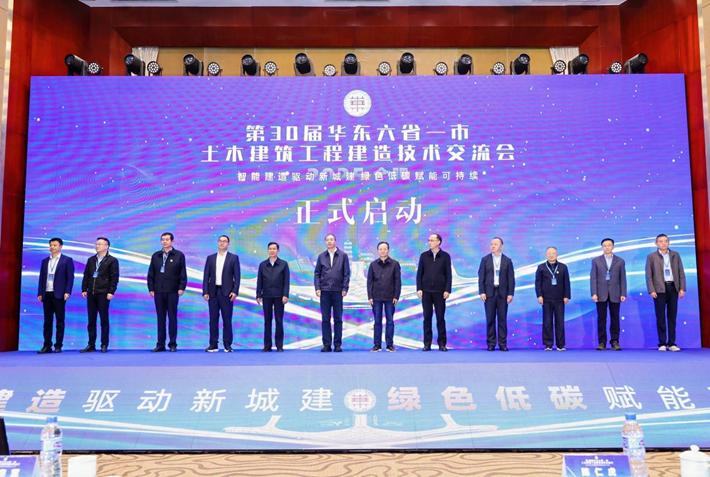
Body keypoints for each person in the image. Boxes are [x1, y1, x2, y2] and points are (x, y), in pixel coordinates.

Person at [645, 233, 686, 352]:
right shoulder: (651, 257)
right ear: (656, 243)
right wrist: (651, 289)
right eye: (661, 241)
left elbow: (681, 272)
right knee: (661, 317)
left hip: (673, 288)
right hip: (659, 290)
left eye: (665, 241)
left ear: (669, 242)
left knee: (672, 316)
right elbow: (648, 275)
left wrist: (682, 288)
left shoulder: (675, 255)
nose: (663, 243)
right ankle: (662, 343)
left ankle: (672, 343)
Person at [147, 232, 187, 352]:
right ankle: (160, 344)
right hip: (158, 291)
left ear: (172, 241)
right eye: (162, 239)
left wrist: (181, 287)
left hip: (173, 291)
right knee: (161, 318)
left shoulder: (179, 255)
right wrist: (151, 288)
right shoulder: (156, 255)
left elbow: (183, 273)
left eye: (167, 239)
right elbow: (151, 274)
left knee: (172, 317)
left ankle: (172, 344)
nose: (164, 241)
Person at [80, 237, 119, 353]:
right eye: (96, 244)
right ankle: (91, 344)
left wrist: (111, 291)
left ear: (107, 246)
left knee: (104, 320)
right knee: (91, 320)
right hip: (91, 293)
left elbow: (114, 278)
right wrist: (84, 288)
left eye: (100, 244)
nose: (97, 246)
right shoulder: (91, 260)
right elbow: (86, 275)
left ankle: (104, 344)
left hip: (103, 293)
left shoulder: (112, 260)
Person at [202, 235, 240, 353]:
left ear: (228, 244)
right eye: (220, 241)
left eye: (225, 241)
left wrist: (235, 291)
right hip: (213, 292)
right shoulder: (210, 258)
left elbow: (237, 276)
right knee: (213, 319)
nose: (222, 243)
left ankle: (227, 345)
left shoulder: (233, 258)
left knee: (227, 319)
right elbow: (206, 276)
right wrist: (205, 291)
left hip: (227, 293)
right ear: (217, 243)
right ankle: (213, 344)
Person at [37, 237, 75, 354]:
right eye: (51, 245)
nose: (52, 247)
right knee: (47, 321)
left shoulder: (67, 260)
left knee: (60, 321)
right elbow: (41, 278)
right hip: (46, 294)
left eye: (54, 245)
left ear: (60, 247)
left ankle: (58, 345)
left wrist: (67, 291)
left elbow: (70, 278)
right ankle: (47, 345)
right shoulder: (44, 261)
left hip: (59, 294)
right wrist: (40, 292)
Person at [314, 233, 350, 352]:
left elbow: (346, 273)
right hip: (324, 291)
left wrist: (345, 288)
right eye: (327, 240)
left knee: (338, 319)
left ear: (335, 241)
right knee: (325, 319)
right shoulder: (321, 256)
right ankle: (327, 345)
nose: (329, 242)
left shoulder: (343, 256)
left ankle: (338, 345)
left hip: (338, 291)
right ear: (325, 242)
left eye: (331, 239)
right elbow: (317, 273)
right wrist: (317, 288)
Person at [416, 233, 452, 351]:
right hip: (426, 292)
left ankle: (442, 344)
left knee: (440, 318)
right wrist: (419, 288)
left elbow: (448, 274)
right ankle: (427, 344)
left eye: (432, 240)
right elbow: (419, 273)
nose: (429, 242)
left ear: (438, 242)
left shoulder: (445, 256)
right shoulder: (424, 256)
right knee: (427, 318)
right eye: (429, 240)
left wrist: (447, 289)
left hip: (440, 292)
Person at [478, 237, 515, 351]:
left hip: (503, 294)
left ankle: (503, 344)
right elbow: (481, 277)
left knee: (502, 320)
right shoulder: (485, 259)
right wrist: (482, 291)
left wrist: (510, 293)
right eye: (491, 244)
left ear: (501, 246)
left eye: (495, 244)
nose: (493, 246)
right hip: (489, 293)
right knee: (490, 319)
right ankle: (491, 344)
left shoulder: (507, 260)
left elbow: (511, 278)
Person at [590, 238, 627, 351]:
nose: (607, 247)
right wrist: (594, 293)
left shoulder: (620, 261)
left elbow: (623, 278)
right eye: (605, 245)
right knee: (601, 319)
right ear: (602, 247)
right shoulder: (596, 261)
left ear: (613, 247)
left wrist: (623, 293)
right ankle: (602, 342)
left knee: (615, 318)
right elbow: (593, 278)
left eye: (609, 245)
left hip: (615, 294)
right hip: (600, 294)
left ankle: (615, 341)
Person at [366, 241, 402, 352]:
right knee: (377, 321)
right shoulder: (373, 265)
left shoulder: (395, 264)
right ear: (378, 251)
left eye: (385, 249)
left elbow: (398, 281)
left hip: (390, 297)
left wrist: (396, 296)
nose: (383, 251)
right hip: (376, 297)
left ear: (388, 250)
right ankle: (377, 345)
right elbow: (369, 282)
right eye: (380, 249)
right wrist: (370, 296)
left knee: (390, 321)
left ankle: (389, 345)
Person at [535, 247, 571, 351]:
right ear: (546, 255)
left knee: (560, 322)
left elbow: (567, 282)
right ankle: (548, 344)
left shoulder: (563, 267)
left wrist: (567, 296)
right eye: (549, 253)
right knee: (547, 322)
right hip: (546, 299)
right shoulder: (541, 267)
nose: (551, 255)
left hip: (560, 299)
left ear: (557, 254)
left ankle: (560, 345)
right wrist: (539, 295)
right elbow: (538, 283)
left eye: (553, 253)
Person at [256, 242, 290, 352]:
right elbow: (259, 281)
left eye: (274, 249)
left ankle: (279, 345)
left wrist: (285, 295)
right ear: (268, 250)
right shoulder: (262, 265)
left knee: (279, 321)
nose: (272, 251)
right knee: (267, 321)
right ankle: (267, 345)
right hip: (266, 296)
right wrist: (258, 295)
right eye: (270, 249)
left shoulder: (283, 264)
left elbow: (286, 281)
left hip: (279, 296)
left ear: (278, 250)